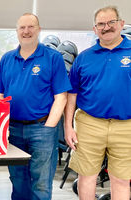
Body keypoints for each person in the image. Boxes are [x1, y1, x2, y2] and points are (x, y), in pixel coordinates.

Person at [0, 13, 71, 200]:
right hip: (13, 128)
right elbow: (1, 95)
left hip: (42, 129)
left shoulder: (53, 58)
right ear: (17, 31)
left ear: (39, 29)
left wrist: (49, 126)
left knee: (41, 183)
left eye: (31, 27)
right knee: (18, 180)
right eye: (22, 27)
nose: (26, 31)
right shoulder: (6, 59)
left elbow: (61, 97)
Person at [65, 5, 131, 200]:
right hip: (89, 123)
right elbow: (72, 95)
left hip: (126, 126)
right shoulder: (84, 58)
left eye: (111, 22)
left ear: (121, 24)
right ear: (95, 29)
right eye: (101, 24)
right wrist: (68, 127)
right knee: (87, 176)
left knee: (121, 179)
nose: (106, 27)